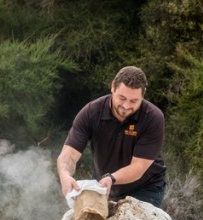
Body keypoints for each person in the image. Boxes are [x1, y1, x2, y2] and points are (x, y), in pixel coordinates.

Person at [56, 66, 167, 208]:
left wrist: (112, 178)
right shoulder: (91, 113)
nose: (126, 106)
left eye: (134, 101)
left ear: (143, 95)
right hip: (103, 186)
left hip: (146, 188)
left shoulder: (153, 117)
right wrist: (65, 175)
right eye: (122, 98)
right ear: (113, 87)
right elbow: (69, 154)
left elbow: (138, 167)